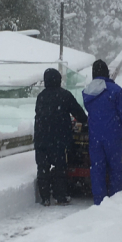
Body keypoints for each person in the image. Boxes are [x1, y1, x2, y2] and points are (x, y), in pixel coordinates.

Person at [34, 66, 87, 205]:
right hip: (58, 139)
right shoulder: (64, 95)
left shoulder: (41, 97)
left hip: (41, 138)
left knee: (42, 168)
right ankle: (60, 196)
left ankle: (45, 197)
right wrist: (85, 121)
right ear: (58, 80)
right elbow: (78, 113)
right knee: (59, 168)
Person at [81, 59, 122, 205]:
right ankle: (114, 199)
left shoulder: (87, 92)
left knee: (97, 168)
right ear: (106, 72)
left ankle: (99, 201)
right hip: (113, 135)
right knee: (115, 167)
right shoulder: (115, 90)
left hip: (95, 136)